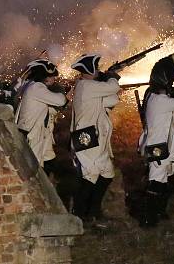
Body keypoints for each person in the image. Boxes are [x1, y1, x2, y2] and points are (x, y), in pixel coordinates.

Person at [137, 52, 174, 227]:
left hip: (163, 147)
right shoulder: (160, 99)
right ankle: (148, 219)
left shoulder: (157, 96)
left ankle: (157, 213)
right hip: (159, 147)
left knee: (161, 182)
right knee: (156, 183)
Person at [70, 54, 120, 227]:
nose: (98, 71)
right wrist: (112, 76)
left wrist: (108, 80)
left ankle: (94, 211)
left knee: (107, 174)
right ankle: (79, 214)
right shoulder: (86, 86)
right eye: (96, 68)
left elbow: (113, 99)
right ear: (90, 70)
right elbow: (113, 89)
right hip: (86, 137)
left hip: (94, 136)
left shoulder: (89, 87)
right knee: (89, 176)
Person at [15, 59, 67, 174]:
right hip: (31, 134)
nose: (54, 79)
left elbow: (48, 109)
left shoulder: (32, 85)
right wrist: (61, 91)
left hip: (38, 133)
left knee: (48, 161)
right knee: (33, 170)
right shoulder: (37, 88)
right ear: (44, 76)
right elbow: (61, 101)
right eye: (51, 76)